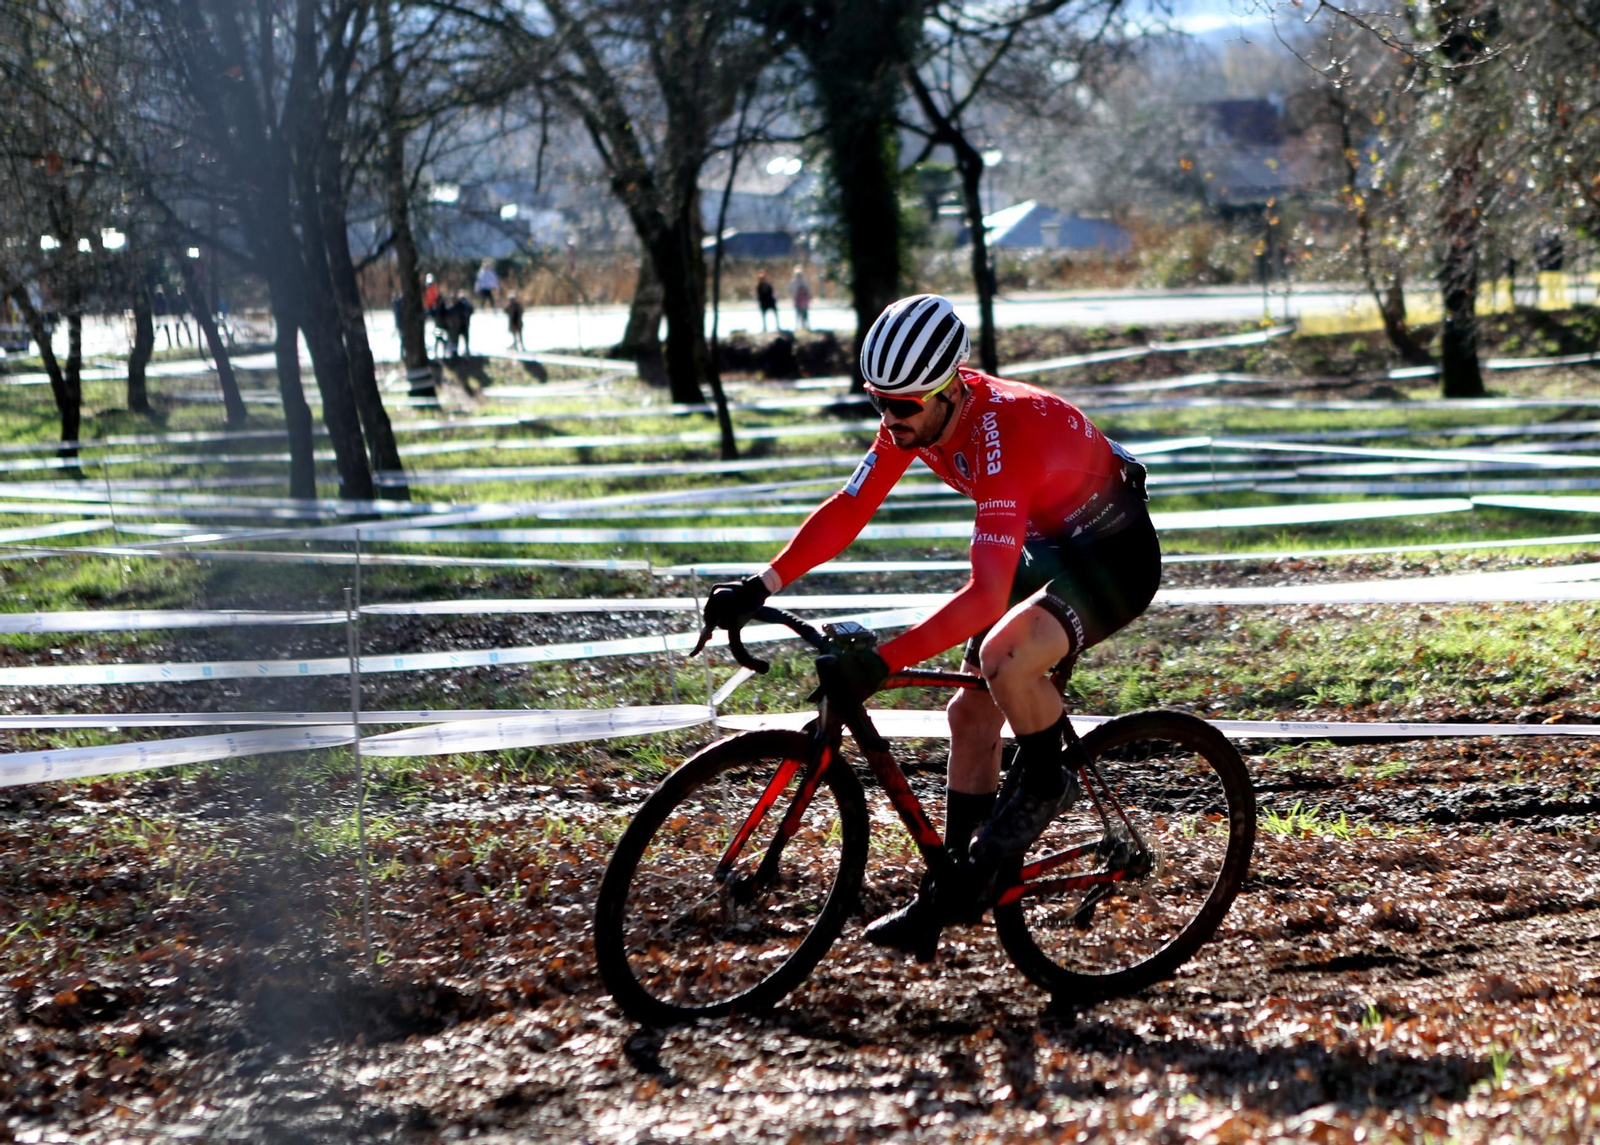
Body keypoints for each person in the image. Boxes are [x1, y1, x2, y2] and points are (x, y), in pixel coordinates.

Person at [700, 294, 1160, 961]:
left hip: (1113, 555)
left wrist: (885, 661)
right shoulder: (914, 414)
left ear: (949, 391)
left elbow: (983, 596)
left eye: (904, 405)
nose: (889, 419)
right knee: (969, 715)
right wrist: (761, 582)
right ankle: (951, 891)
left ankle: (1044, 777)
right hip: (1051, 543)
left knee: (1005, 654)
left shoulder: (1004, 435)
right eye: (877, 402)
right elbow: (850, 508)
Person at [790, 265, 812, 330]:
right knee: (797, 313)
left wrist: (808, 298)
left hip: (804, 300)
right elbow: (791, 290)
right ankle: (797, 326)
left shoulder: (804, 281)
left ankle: (806, 326)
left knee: (805, 313)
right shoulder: (793, 282)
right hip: (797, 300)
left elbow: (808, 289)